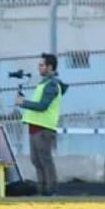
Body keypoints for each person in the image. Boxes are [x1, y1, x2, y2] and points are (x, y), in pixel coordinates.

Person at [16, 52, 68, 197]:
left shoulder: (51, 85)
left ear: (50, 67)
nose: (39, 67)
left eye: (42, 65)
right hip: (35, 127)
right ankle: (42, 188)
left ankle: (51, 189)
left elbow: (43, 106)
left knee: (45, 160)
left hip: (43, 128)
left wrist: (23, 103)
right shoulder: (44, 83)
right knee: (36, 160)